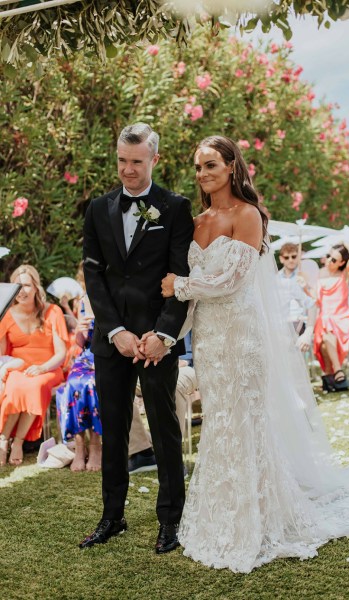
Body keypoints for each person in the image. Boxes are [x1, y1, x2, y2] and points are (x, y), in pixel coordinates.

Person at [161, 135, 349, 573]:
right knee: (220, 421)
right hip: (210, 339)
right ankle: (222, 515)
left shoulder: (248, 215)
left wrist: (180, 284)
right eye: (197, 167)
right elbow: (194, 302)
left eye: (211, 165)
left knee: (246, 422)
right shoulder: (195, 222)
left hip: (243, 333)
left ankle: (259, 517)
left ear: (232, 166)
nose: (203, 174)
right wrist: (167, 335)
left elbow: (232, 281)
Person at [80, 123, 194, 552]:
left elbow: (181, 277)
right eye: (122, 161)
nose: (127, 170)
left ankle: (171, 520)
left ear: (154, 160)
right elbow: (94, 274)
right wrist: (115, 331)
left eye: (137, 162)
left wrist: (163, 334)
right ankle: (112, 517)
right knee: (116, 429)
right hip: (113, 340)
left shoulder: (176, 208)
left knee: (164, 428)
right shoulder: (97, 208)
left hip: (158, 341)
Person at [0, 265, 68, 467]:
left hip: (48, 367)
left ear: (37, 287)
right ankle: (3, 440)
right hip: (18, 366)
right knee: (14, 386)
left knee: (34, 385)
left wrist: (43, 368)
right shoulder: (7, 315)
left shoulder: (52, 312)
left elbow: (61, 353)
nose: (22, 290)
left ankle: (18, 442)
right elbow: (2, 353)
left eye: (27, 285)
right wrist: (7, 369)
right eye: (18, 285)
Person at [56, 295, 102, 472]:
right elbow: (82, 343)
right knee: (73, 383)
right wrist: (79, 332)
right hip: (87, 356)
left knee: (91, 383)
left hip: (109, 355)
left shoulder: (117, 292)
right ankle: (80, 445)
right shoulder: (84, 300)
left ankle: (96, 444)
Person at [313, 243, 349, 392]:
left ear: (342, 262)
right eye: (328, 256)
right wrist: (304, 288)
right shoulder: (319, 273)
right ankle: (332, 376)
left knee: (327, 330)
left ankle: (331, 374)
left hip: (342, 318)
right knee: (325, 331)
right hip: (324, 318)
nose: (329, 261)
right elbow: (316, 300)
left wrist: (344, 241)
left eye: (334, 259)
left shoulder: (345, 274)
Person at [277, 243, 317, 352]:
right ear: (281, 259)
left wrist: (308, 332)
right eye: (287, 257)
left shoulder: (305, 277)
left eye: (294, 256)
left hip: (300, 323)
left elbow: (314, 303)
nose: (290, 260)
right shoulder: (275, 279)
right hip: (281, 324)